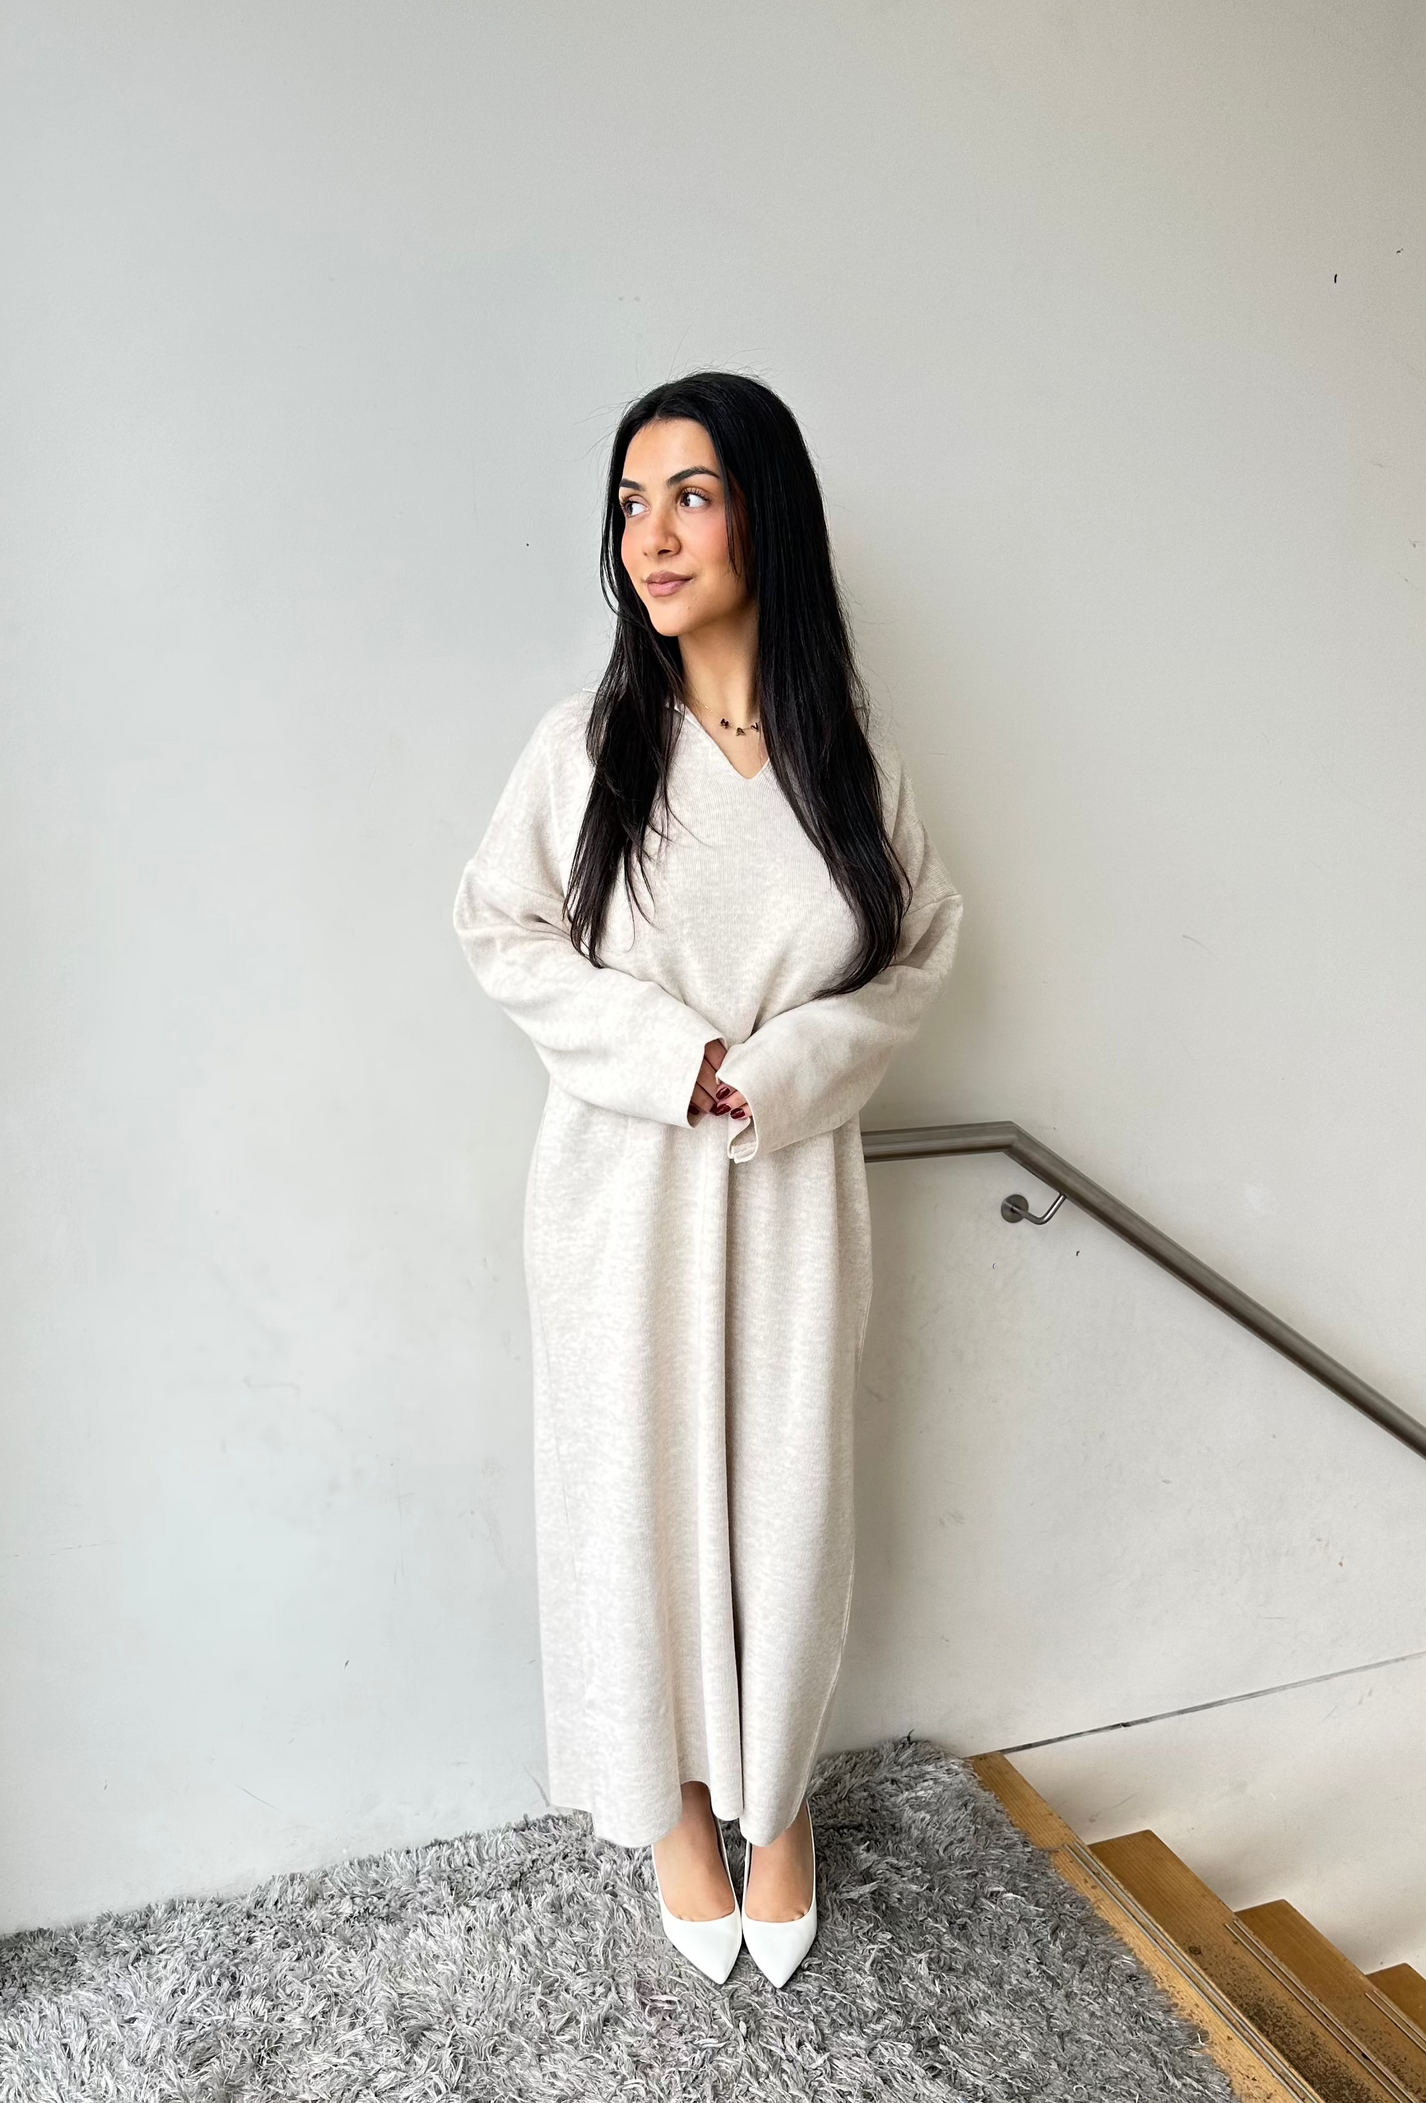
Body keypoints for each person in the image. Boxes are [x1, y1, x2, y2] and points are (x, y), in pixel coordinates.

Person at [453, 371, 962, 1988]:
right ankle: (673, 1803)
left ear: (766, 512)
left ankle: (777, 1795)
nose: (652, 535)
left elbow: (922, 950)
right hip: (621, 1198)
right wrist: (672, 1053)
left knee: (789, 1504)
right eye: (630, 502)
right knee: (633, 1501)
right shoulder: (587, 748)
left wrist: (789, 1068)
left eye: (690, 493)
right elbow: (498, 927)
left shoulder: (849, 761)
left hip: (794, 1196)